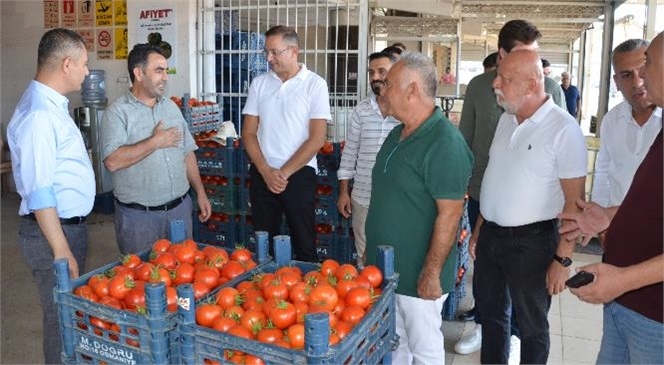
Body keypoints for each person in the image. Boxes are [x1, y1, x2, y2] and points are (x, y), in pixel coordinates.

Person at [455, 19, 568, 358]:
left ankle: (517, 335)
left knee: (529, 302)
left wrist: (563, 254)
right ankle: (487, 328)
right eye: (521, 57)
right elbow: (465, 143)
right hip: (485, 200)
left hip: (533, 214)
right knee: (490, 291)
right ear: (502, 55)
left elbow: (559, 154)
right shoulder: (480, 88)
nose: (536, 69)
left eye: (535, 58)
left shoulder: (552, 93)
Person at [558, 30, 663, 365]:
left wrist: (625, 279)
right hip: (622, 291)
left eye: (649, 63)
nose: (642, 76)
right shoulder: (617, 121)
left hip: (654, 309)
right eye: (629, 72)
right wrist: (609, 216)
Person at [475, 49, 586, 364]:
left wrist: (562, 260)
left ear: (533, 83)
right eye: (498, 75)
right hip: (492, 237)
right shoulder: (507, 120)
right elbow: (496, 177)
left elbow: (574, 204)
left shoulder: (564, 129)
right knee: (492, 317)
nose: (496, 82)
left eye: (506, 78)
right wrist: (480, 229)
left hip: (532, 243)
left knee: (531, 325)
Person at [365, 51, 474, 364]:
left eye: (390, 84)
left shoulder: (444, 142)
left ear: (412, 90)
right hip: (387, 269)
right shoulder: (398, 134)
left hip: (418, 273)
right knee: (393, 342)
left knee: (423, 348)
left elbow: (450, 214)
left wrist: (431, 273)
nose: (382, 90)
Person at [7, 28, 95, 364]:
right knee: (61, 322)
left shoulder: (51, 106)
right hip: (53, 234)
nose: (87, 72)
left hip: (66, 228)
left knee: (69, 316)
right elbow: (40, 191)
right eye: (84, 65)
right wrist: (61, 250)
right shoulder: (40, 115)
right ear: (67, 64)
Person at [101, 43, 211, 254]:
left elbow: (187, 152)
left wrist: (201, 193)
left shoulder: (170, 107)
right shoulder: (117, 113)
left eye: (166, 71)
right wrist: (155, 142)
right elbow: (112, 161)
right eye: (159, 70)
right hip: (139, 220)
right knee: (143, 280)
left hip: (179, 211)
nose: (165, 77)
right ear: (138, 73)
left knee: (182, 275)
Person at [241, 25, 331, 262]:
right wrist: (266, 171)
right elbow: (248, 133)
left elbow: (317, 138)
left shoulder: (315, 85)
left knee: (304, 243)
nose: (269, 58)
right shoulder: (259, 84)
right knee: (264, 244)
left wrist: (282, 173)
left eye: (275, 52)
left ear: (294, 51)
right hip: (263, 172)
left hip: (299, 174)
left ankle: (307, 294)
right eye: (266, 53)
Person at [336, 51, 400, 267]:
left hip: (396, 200)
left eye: (382, 71)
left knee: (395, 257)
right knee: (364, 256)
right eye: (371, 72)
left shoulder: (406, 113)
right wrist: (344, 192)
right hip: (362, 198)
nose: (375, 77)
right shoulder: (361, 110)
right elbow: (350, 153)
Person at [591, 39, 661, 217]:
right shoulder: (611, 121)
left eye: (643, 71)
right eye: (627, 75)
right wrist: (600, 217)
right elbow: (603, 172)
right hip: (618, 226)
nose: (637, 82)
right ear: (616, 81)